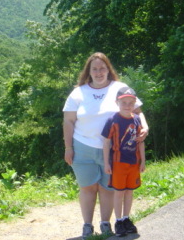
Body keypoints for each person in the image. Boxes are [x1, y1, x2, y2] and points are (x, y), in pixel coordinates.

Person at [63, 52, 149, 239]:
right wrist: (68, 148)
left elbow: (137, 111)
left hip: (114, 151)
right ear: (89, 71)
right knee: (87, 187)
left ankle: (106, 224)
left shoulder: (120, 88)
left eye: (102, 68)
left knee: (108, 188)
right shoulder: (78, 93)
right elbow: (68, 121)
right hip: (82, 148)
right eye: (94, 69)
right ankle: (87, 226)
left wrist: (146, 127)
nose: (99, 72)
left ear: (108, 70)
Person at [102, 86, 146, 237]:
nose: (127, 106)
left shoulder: (137, 119)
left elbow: (140, 141)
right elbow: (106, 143)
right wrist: (106, 163)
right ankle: (118, 221)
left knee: (129, 192)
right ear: (117, 103)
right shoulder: (112, 120)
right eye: (124, 102)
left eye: (130, 103)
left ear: (134, 104)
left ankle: (127, 219)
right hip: (118, 163)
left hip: (134, 162)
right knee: (119, 193)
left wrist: (143, 161)